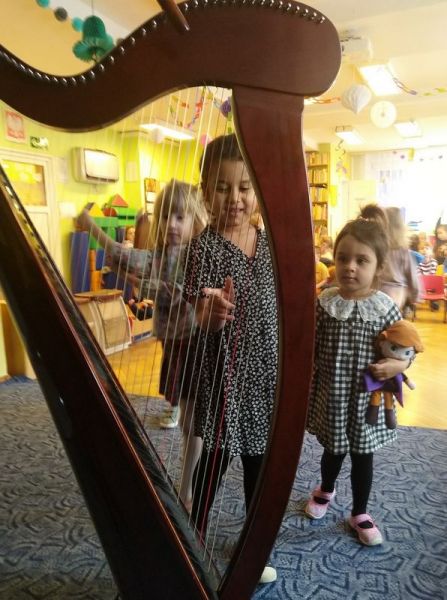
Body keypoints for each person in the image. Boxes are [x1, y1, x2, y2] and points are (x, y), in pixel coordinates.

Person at [77, 180, 207, 511]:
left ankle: (188, 488)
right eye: (165, 216)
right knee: (188, 420)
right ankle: (188, 484)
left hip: (196, 345)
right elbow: (123, 255)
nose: (171, 224)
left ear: (195, 220)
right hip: (174, 346)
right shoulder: (158, 255)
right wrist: (93, 229)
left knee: (193, 422)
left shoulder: (197, 254)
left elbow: (176, 292)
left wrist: (143, 283)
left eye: (180, 217)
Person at [183, 133, 278, 584]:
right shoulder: (202, 249)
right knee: (215, 461)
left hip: (268, 374)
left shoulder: (269, 240)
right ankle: (191, 537)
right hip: (225, 375)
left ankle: (253, 548)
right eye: (222, 187)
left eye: (244, 187)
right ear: (205, 191)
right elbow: (198, 310)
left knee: (261, 465)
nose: (235, 198)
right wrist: (209, 315)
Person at [306, 212, 411, 546]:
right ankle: (326, 489)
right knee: (333, 450)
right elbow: (308, 345)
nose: (349, 267)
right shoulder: (324, 303)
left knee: (363, 457)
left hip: (368, 402)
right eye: (342, 258)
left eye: (361, 260)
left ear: (378, 267)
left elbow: (406, 347)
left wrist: (397, 366)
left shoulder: (385, 308)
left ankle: (360, 512)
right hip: (332, 397)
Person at [360, 205, 420, 311]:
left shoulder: (376, 247)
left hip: (374, 289)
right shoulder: (403, 251)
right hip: (396, 292)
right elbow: (413, 278)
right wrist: (414, 297)